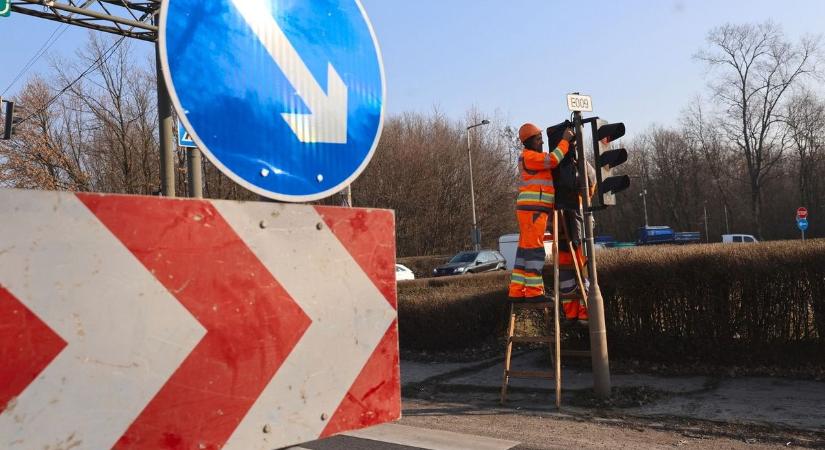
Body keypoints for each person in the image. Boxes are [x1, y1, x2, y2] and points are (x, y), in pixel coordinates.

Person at [507, 122, 574, 302]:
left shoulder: (530, 157)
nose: (542, 142)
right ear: (528, 141)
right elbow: (553, 160)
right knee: (535, 251)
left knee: (524, 252)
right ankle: (534, 292)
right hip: (533, 211)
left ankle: (516, 291)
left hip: (531, 210)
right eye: (538, 139)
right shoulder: (530, 157)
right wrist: (565, 141)